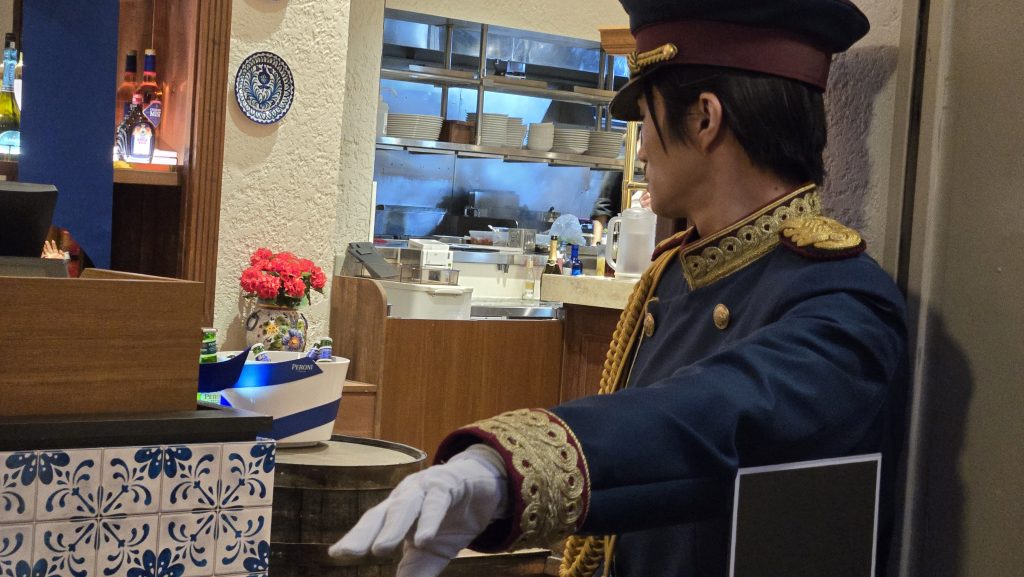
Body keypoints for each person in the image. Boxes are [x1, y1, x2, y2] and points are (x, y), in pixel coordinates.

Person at [330, 1, 908, 576]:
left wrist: (511, 469)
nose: (642, 146)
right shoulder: (678, 270)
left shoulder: (845, 298)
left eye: (646, 119)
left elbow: (717, 412)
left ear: (705, 120)